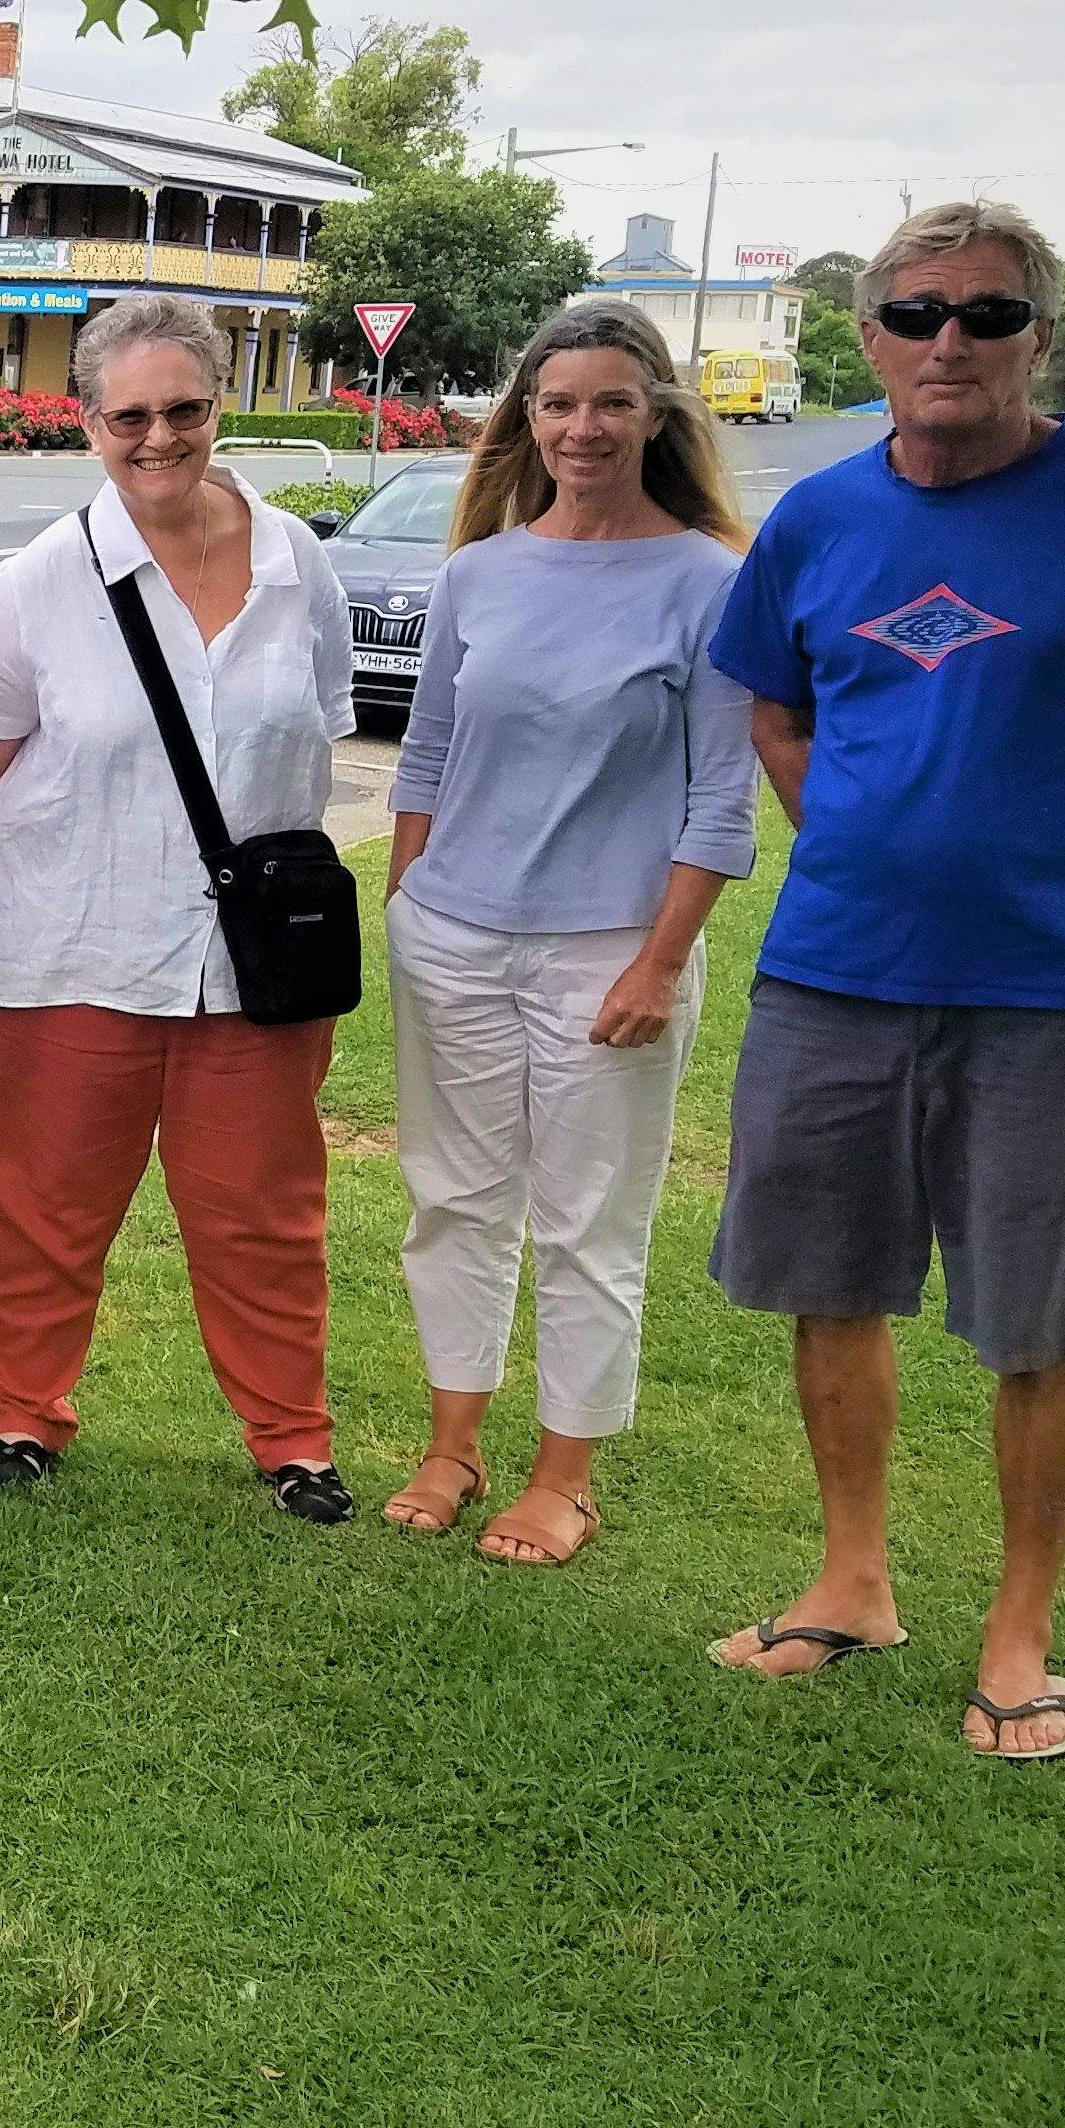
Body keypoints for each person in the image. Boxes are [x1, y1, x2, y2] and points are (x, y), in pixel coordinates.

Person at [704, 201, 1065, 1760]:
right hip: (834, 975)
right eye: (914, 315)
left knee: (1045, 1318)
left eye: (984, 314)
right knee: (829, 1284)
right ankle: (852, 1580)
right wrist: (842, 830)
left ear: (1041, 333)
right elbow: (774, 706)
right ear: (869, 337)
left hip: (1047, 997)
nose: (947, 342)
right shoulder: (819, 521)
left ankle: (1022, 1633)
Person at [0, 293, 360, 1521]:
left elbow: (314, 735)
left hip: (252, 961)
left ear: (221, 407)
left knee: (264, 1212)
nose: (159, 437)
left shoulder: (297, 561)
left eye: (185, 410)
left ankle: (293, 1439)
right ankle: (22, 1412)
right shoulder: (35, 585)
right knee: (42, 1202)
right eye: (131, 415)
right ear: (89, 421)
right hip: (65, 940)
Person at [379, 301, 755, 1565]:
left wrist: (662, 959)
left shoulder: (709, 582)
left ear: (656, 417)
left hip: (612, 950)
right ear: (525, 421)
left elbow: (721, 792)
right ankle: (451, 1445)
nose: (581, 427)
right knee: (452, 1204)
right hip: (455, 939)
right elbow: (425, 753)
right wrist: (407, 900)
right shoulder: (481, 569)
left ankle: (566, 1478)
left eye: (609, 403)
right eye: (556, 404)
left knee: (590, 1222)